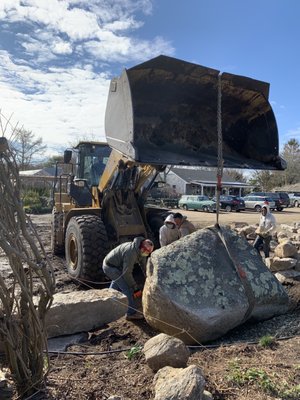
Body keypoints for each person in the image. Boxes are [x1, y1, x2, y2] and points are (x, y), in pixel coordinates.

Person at [103, 237, 154, 320]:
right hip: (110, 267)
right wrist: (135, 288)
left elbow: (144, 266)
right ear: (142, 248)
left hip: (117, 266)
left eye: (148, 253)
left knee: (117, 284)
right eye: (146, 252)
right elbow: (127, 273)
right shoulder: (131, 253)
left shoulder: (141, 251)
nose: (146, 254)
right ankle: (131, 313)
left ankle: (109, 301)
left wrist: (149, 277)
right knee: (127, 288)